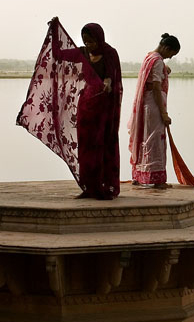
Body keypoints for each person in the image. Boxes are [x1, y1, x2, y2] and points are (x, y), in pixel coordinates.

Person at [17, 18, 123, 199]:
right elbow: (58, 54)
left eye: (91, 41)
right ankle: (89, 187)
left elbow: (111, 76)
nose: (88, 45)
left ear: (100, 39)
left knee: (100, 145)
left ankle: (103, 186)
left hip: (104, 107)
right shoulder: (81, 53)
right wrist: (54, 29)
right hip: (87, 104)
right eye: (85, 41)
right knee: (86, 146)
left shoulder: (109, 53)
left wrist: (106, 82)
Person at [128, 33, 180, 188]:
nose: (169, 57)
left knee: (144, 138)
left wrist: (165, 69)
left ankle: (139, 175)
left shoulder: (149, 58)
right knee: (155, 140)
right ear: (166, 48)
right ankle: (157, 180)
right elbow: (156, 87)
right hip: (154, 105)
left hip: (145, 105)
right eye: (171, 54)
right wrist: (164, 113)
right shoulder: (157, 61)